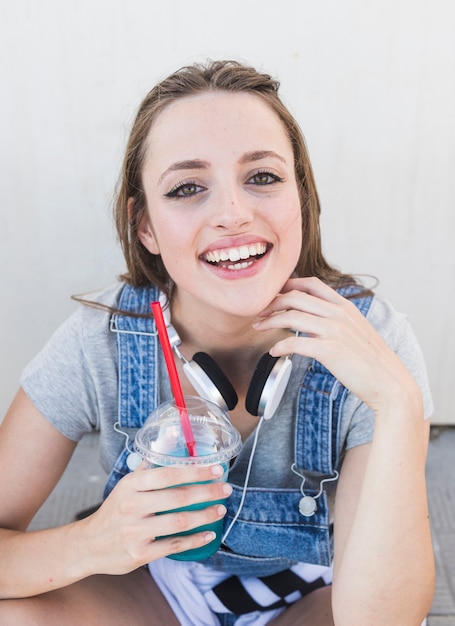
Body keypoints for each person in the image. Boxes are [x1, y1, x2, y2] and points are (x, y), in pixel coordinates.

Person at [0, 59, 434, 625]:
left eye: (262, 177)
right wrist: (92, 543)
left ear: (300, 197)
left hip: (319, 595)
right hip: (148, 587)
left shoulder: (375, 343)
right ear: (146, 227)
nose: (232, 213)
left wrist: (396, 404)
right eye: (186, 188)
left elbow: (385, 618)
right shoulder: (97, 344)